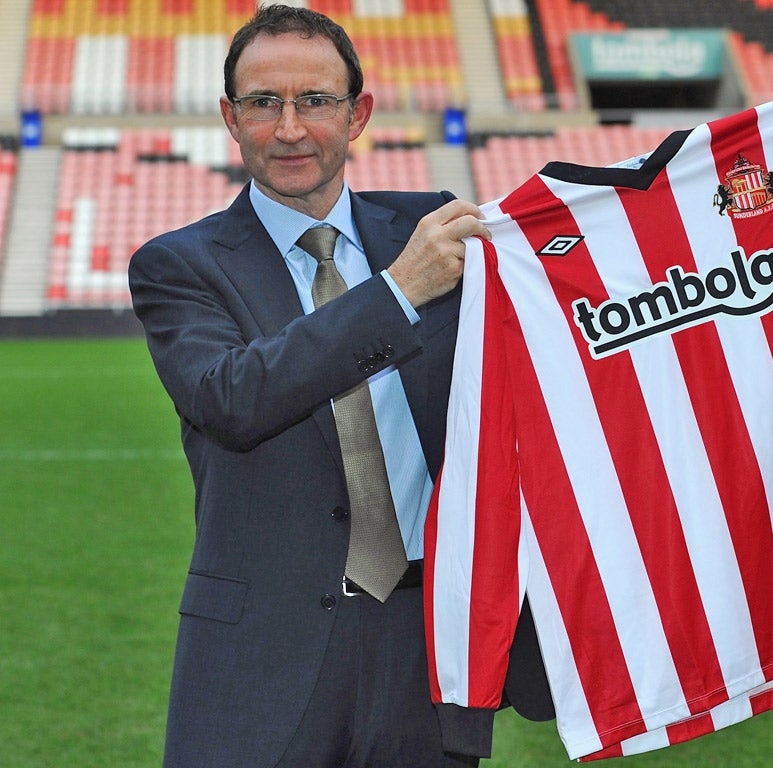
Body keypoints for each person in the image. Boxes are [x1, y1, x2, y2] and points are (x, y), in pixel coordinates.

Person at [129, 5, 551, 768]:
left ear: (358, 114)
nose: (289, 128)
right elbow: (233, 396)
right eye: (264, 102)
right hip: (260, 654)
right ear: (231, 118)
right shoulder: (179, 266)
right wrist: (394, 294)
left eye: (316, 101)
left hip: (426, 647)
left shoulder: (444, 235)